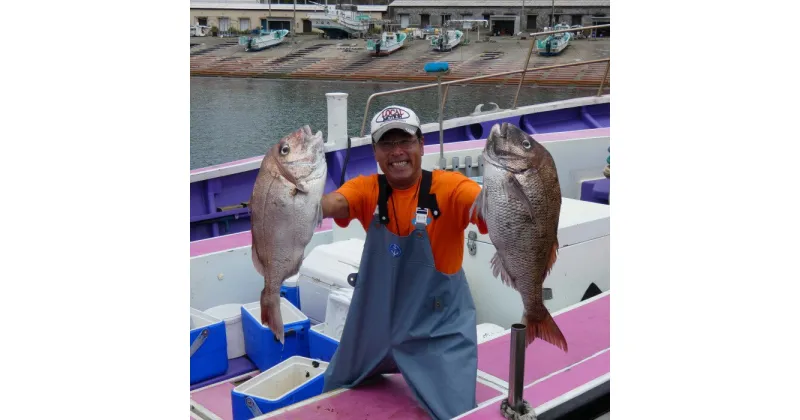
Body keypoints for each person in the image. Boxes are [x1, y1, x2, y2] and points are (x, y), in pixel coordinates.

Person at [319, 105, 488, 419]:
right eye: (386, 144)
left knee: (458, 413)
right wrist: (297, 200)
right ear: (375, 152)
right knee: (333, 394)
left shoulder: (451, 188)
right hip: (375, 327)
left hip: (438, 331)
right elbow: (334, 203)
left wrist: (504, 200)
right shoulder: (365, 189)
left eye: (405, 141)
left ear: (421, 145)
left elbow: (481, 204)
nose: (397, 152)